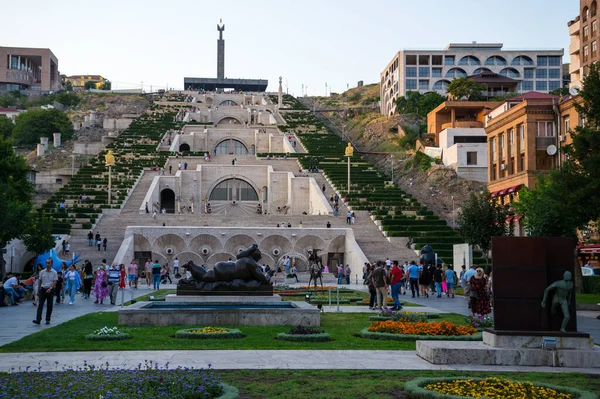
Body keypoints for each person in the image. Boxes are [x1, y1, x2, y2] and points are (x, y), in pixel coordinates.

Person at [33, 259, 58, 325]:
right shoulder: (42, 272)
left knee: (49, 305)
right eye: (46, 263)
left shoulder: (54, 272)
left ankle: (47, 319)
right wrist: (38, 290)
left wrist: (50, 288)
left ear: (51, 264)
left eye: (49, 263)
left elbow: (55, 281)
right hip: (43, 289)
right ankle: (38, 319)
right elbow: (40, 281)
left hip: (50, 289)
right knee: (40, 305)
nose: (47, 264)